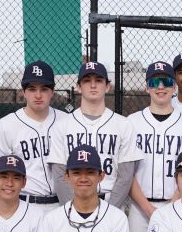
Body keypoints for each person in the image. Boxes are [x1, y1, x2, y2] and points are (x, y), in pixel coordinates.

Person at [48, 61, 140, 208]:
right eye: (86, 81)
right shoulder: (62, 126)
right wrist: (73, 210)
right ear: (78, 87)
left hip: (111, 202)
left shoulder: (123, 124)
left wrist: (109, 212)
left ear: (107, 86)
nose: (93, 85)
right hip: (73, 203)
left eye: (98, 80)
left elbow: (125, 176)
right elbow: (59, 175)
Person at [126, 61, 182, 232]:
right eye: (154, 82)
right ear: (147, 87)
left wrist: (173, 204)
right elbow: (127, 173)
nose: (160, 87)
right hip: (139, 207)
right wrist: (147, 208)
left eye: (166, 82)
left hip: (177, 204)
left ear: (174, 87)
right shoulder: (132, 122)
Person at [0, 60, 64, 213]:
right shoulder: (6, 125)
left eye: (44, 89)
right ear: (23, 92)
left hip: (62, 204)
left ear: (52, 91)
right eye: (32, 89)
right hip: (24, 204)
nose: (38, 95)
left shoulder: (66, 121)